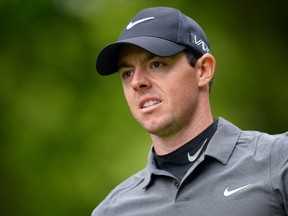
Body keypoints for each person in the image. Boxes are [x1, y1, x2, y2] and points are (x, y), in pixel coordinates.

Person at [92, 7, 288, 216]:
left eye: (156, 64)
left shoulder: (278, 160)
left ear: (203, 70)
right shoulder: (112, 210)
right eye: (127, 73)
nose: (137, 82)